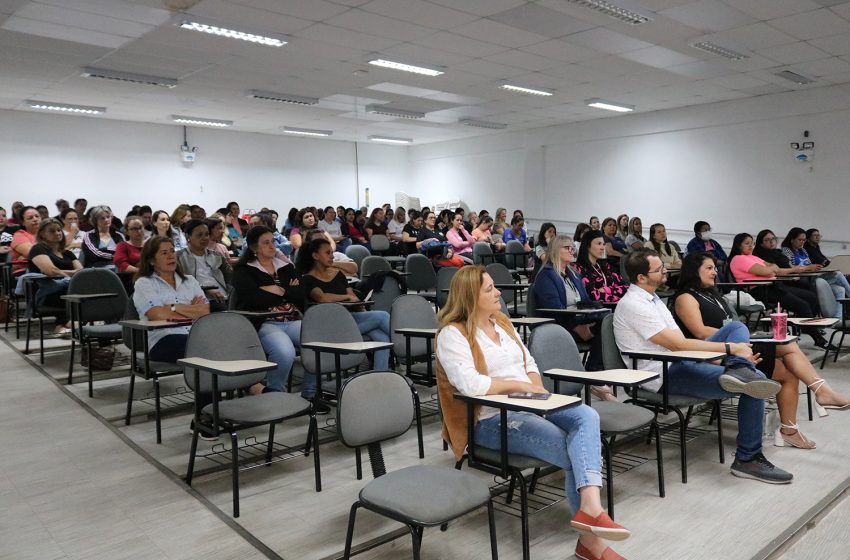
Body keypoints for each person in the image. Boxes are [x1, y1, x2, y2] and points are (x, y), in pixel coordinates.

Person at [435, 265, 630, 560]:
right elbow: (471, 385)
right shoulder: (453, 334)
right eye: (489, 289)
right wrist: (519, 387)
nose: (498, 292)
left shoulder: (502, 323)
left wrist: (535, 391)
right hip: (490, 419)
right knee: (575, 449)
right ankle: (591, 543)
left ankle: (591, 508)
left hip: (531, 404)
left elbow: (530, 364)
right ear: (470, 297)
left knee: (587, 416)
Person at [614, 248, 792, 484]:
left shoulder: (654, 299)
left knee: (736, 328)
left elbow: (681, 344)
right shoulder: (633, 304)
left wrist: (726, 355)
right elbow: (678, 345)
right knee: (755, 380)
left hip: (680, 360)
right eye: (659, 269)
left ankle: (739, 368)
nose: (665, 271)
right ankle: (747, 458)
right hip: (662, 374)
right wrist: (730, 350)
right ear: (641, 277)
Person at [673, 252, 850, 450]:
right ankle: (822, 392)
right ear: (693, 270)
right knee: (787, 346)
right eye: (709, 268)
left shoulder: (712, 294)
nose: (715, 272)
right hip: (714, 353)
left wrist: (744, 337)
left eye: (714, 268)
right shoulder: (685, 298)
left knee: (790, 372)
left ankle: (790, 430)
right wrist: (740, 337)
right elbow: (700, 332)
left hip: (737, 347)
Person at [295, 238, 391, 398]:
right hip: (330, 326)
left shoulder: (337, 274)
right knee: (382, 317)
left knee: (382, 338)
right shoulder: (308, 279)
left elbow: (353, 296)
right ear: (315, 256)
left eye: (332, 253)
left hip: (350, 319)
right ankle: (404, 345)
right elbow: (322, 298)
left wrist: (358, 304)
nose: (332, 256)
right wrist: (345, 297)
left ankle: (378, 381)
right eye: (327, 253)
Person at [231, 226, 304, 396]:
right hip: (264, 321)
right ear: (254, 248)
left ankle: (311, 391)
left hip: (292, 318)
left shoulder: (285, 266)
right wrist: (288, 291)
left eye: (273, 241)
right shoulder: (244, 270)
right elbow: (254, 299)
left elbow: (300, 293)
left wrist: (275, 290)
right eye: (266, 243)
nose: (272, 246)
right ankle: (275, 394)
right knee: (285, 352)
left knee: (317, 344)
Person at [732, 233, 828, 343]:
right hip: (759, 290)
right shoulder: (739, 259)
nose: (750, 246)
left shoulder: (753, 257)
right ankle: (818, 339)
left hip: (773, 286)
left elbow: (776, 269)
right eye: (747, 243)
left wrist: (772, 269)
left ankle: (805, 327)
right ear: (739, 245)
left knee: (811, 297)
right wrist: (771, 269)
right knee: (803, 305)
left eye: (752, 243)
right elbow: (767, 270)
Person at [533, 235, 607, 374]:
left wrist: (596, 310)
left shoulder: (574, 274)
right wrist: (577, 327)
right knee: (605, 327)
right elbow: (552, 310)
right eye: (567, 248)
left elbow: (585, 301)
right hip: (562, 325)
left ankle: (598, 369)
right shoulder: (546, 276)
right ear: (555, 250)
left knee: (609, 320)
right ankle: (594, 370)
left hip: (581, 319)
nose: (572, 251)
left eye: (573, 248)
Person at [27, 219, 82, 334]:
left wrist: (64, 273)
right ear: (42, 234)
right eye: (52, 231)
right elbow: (51, 271)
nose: (57, 233)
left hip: (68, 288)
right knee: (71, 290)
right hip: (46, 292)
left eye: (59, 230)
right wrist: (72, 273)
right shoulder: (38, 249)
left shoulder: (67, 253)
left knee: (82, 288)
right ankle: (68, 323)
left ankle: (62, 325)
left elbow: (81, 271)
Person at [782, 226, 850, 300]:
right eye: (800, 240)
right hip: (800, 280)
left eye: (804, 240)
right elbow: (790, 267)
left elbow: (810, 265)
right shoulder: (786, 251)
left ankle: (839, 308)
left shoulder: (803, 250)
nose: (802, 242)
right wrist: (808, 268)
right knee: (838, 274)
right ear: (792, 240)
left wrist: (815, 267)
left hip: (811, 277)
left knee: (840, 289)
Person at [178, 219, 231, 310]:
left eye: (207, 234)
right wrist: (205, 290)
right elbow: (181, 283)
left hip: (224, 296)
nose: (205, 238)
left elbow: (230, 277)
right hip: (201, 299)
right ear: (188, 236)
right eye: (199, 235)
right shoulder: (179, 257)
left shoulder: (217, 256)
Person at [574, 230, 628, 304]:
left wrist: (607, 290)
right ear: (587, 246)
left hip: (616, 306)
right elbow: (592, 295)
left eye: (603, 244)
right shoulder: (579, 268)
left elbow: (626, 288)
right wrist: (620, 300)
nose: (602, 248)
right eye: (599, 244)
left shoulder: (606, 266)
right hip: (596, 309)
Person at [10, 206, 41, 274]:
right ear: (23, 222)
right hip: (25, 272)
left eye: (37, 216)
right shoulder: (19, 235)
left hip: (47, 268)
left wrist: (24, 257)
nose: (35, 219)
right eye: (30, 218)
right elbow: (33, 253)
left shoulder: (46, 234)